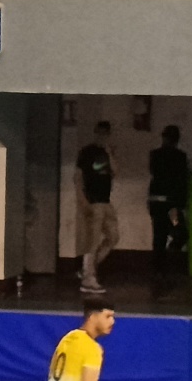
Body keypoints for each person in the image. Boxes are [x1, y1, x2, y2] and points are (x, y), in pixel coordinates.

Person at [147, 127, 191, 294]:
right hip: (171, 204)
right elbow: (181, 180)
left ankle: (159, 270)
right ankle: (169, 260)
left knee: (159, 235)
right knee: (180, 232)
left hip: (156, 202)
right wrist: (180, 203)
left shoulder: (155, 155)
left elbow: (154, 173)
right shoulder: (180, 157)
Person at [73, 121, 117, 294]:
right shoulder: (87, 152)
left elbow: (115, 171)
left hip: (106, 201)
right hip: (93, 200)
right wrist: (82, 199)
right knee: (93, 239)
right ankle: (88, 279)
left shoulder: (107, 152)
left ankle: (87, 270)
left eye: (105, 133)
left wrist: (109, 153)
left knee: (113, 237)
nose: (102, 136)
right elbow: (77, 176)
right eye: (99, 133)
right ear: (95, 132)